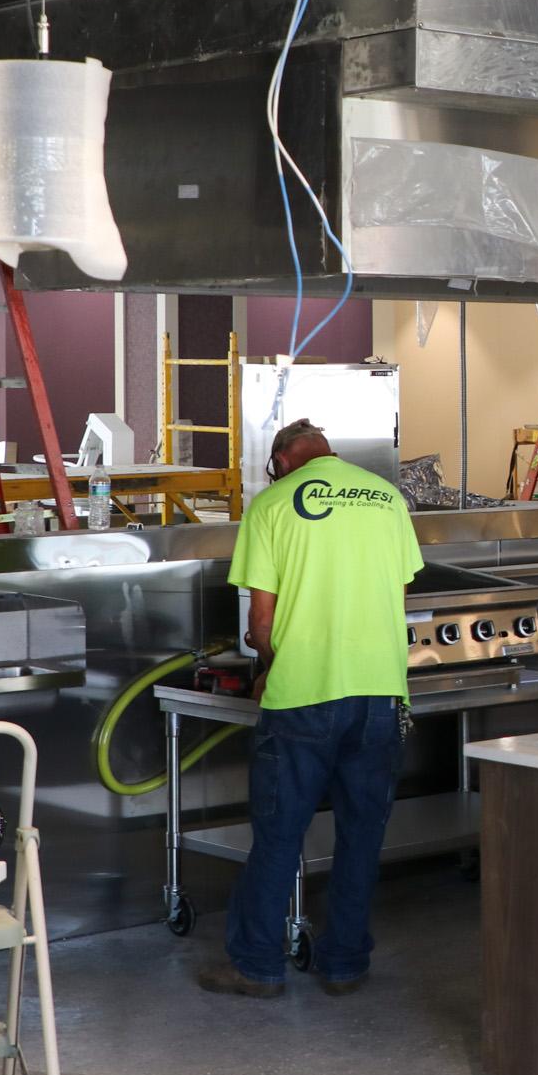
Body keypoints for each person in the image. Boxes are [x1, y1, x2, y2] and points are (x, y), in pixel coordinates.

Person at [197, 418, 423, 999]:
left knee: (279, 836)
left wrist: (270, 664)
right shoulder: (387, 500)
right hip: (379, 692)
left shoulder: (272, 505)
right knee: (361, 835)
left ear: (282, 460)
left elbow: (261, 622)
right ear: (328, 453)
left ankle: (256, 966)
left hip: (302, 695)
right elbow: (398, 598)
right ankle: (346, 964)